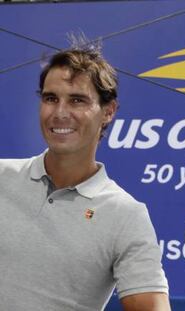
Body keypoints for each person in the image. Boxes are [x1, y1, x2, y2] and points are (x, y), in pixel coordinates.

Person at [0, 46, 171, 311]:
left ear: (108, 111)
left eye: (77, 100)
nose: (60, 113)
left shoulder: (126, 215)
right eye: (50, 98)